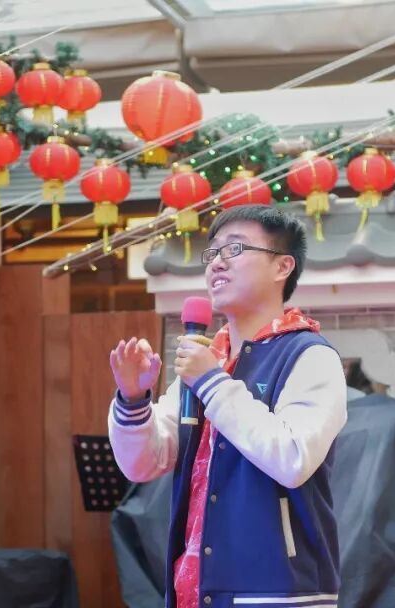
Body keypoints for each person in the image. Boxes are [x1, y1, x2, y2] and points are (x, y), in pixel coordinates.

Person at [108, 205, 348, 608]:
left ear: (282, 266)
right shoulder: (207, 360)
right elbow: (143, 464)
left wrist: (211, 381)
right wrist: (133, 400)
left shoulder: (309, 355)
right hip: (196, 590)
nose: (217, 262)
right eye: (213, 252)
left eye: (235, 249)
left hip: (277, 593)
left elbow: (292, 458)